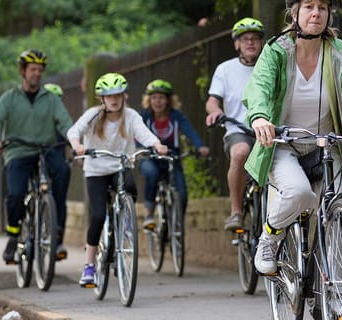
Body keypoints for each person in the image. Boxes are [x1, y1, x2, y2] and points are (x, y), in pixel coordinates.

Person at [242, 0, 342, 276]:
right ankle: (269, 237)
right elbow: (260, 87)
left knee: (336, 211)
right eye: (309, 7)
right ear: (295, 13)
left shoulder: (339, 53)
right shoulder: (277, 50)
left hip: (326, 145)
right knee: (300, 193)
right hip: (282, 144)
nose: (316, 13)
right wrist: (260, 117)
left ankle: (338, 294)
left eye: (323, 8)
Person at [67, 73, 168, 288]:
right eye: (109, 96)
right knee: (97, 215)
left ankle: (124, 223)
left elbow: (144, 134)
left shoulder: (130, 116)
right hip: (96, 169)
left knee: (130, 188)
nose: (114, 100)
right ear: (101, 99)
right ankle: (89, 266)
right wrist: (77, 145)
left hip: (120, 166)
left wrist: (157, 144)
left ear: (124, 96)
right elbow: (74, 131)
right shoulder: (93, 115)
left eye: (118, 95)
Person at [0, 50, 74, 264]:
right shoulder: (9, 98)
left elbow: (65, 122)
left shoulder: (51, 98)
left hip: (45, 149)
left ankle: (57, 230)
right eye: (32, 69)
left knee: (63, 171)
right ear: (23, 71)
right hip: (18, 150)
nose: (37, 73)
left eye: (40, 70)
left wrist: (75, 141)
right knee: (16, 193)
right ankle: (13, 235)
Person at [204, 17, 265, 232]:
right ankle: (236, 211)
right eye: (245, 39)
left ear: (261, 43)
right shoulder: (225, 69)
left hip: (269, 129)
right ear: (236, 44)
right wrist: (216, 112)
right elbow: (212, 100)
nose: (250, 43)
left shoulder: (270, 66)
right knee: (240, 153)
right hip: (238, 129)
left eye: (255, 39)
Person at [138, 79, 211, 230]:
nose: (157, 102)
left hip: (172, 157)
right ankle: (149, 213)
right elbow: (137, 134)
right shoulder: (144, 116)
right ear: (149, 100)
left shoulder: (176, 116)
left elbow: (189, 130)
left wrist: (200, 146)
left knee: (182, 193)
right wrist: (139, 148)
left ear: (168, 100)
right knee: (151, 174)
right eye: (154, 98)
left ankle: (176, 225)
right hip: (150, 156)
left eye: (161, 98)